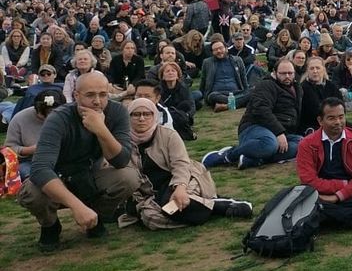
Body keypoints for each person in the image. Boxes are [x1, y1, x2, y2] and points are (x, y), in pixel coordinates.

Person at [17, 71, 141, 251]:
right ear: (76, 95)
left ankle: (96, 217)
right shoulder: (58, 118)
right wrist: (77, 207)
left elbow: (121, 161)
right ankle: (50, 225)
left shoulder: (117, 111)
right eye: (90, 95)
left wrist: (101, 130)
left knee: (129, 177)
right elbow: (40, 168)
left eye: (103, 94)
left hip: (90, 174)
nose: (97, 101)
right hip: (57, 176)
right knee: (31, 191)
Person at [122, 98, 252, 229]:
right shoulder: (124, 141)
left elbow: (181, 164)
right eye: (136, 114)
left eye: (147, 114)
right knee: (150, 218)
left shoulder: (168, 135)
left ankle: (222, 207)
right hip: (152, 193)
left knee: (173, 202)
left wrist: (180, 187)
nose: (142, 119)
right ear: (129, 117)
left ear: (154, 115)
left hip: (184, 179)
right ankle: (209, 205)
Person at [296, 97, 352, 234]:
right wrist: (342, 184)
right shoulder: (307, 144)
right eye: (331, 118)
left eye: (341, 117)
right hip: (320, 194)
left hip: (347, 194)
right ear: (320, 121)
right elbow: (308, 180)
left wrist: (338, 196)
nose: (338, 122)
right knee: (304, 198)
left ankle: (324, 214)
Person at [201, 59, 304, 170]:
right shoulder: (266, 85)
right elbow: (261, 110)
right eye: (283, 73)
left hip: (281, 131)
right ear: (274, 73)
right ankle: (227, 156)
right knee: (269, 144)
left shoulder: (297, 88)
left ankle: (254, 158)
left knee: (303, 144)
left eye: (290, 73)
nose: (287, 76)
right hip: (255, 126)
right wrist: (279, 132)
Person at [4, 89, 66, 179]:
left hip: (62, 159)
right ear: (36, 109)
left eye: (53, 114)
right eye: (44, 114)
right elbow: (9, 149)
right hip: (31, 161)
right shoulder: (20, 118)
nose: (48, 118)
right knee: (33, 175)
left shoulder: (67, 117)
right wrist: (30, 150)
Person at [199, 40, 250, 112]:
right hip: (217, 94)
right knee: (212, 96)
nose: (219, 51)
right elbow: (203, 80)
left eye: (220, 48)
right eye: (215, 50)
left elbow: (243, 78)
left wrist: (247, 91)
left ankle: (227, 105)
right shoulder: (207, 63)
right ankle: (241, 102)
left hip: (236, 92)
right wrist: (201, 97)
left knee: (254, 91)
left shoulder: (237, 60)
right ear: (212, 52)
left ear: (226, 48)